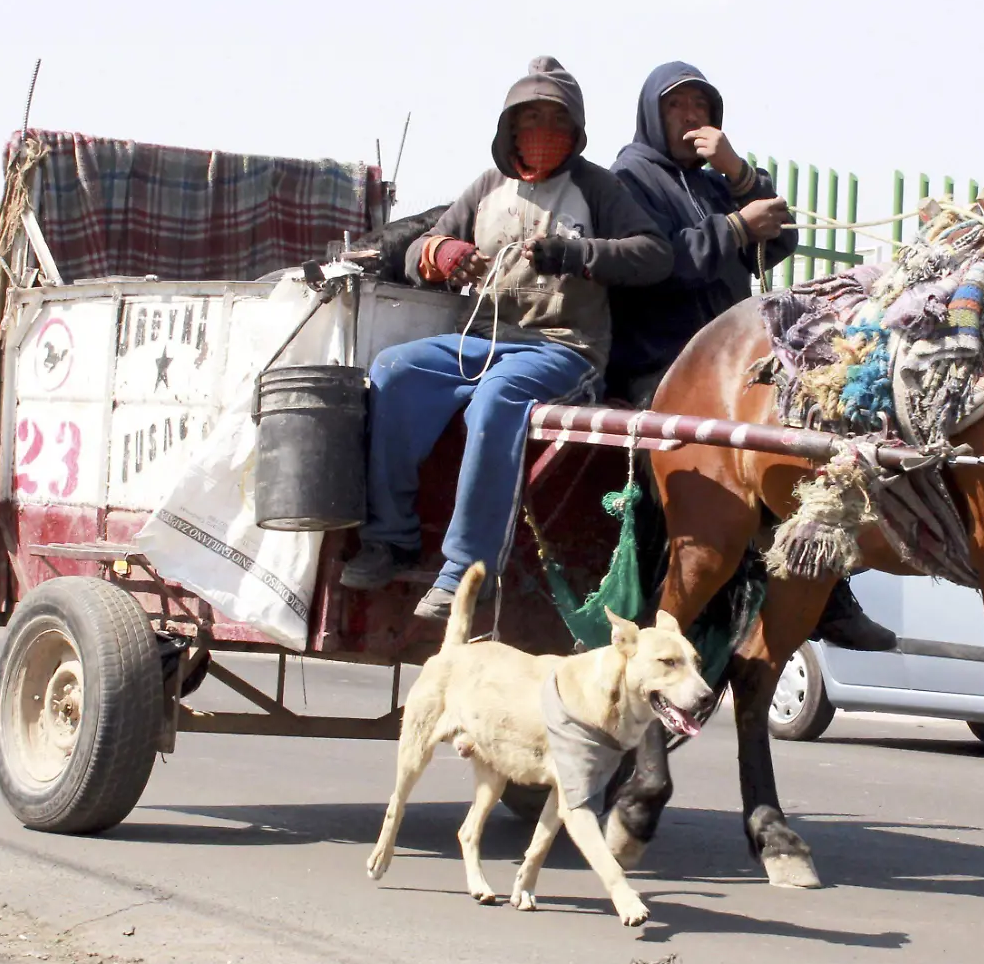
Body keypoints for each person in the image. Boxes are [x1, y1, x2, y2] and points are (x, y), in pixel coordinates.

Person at [339, 57, 673, 621]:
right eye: (529, 118)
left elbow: (655, 254)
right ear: (509, 128)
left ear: (575, 129)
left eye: (555, 120)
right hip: (483, 337)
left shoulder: (598, 187)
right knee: (395, 370)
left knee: (498, 400)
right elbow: (426, 249)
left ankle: (467, 572)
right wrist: (445, 256)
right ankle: (389, 538)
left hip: (565, 348)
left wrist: (578, 255)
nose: (541, 131)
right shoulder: (487, 187)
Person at [608, 61, 896, 653]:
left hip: (730, 362)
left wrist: (737, 173)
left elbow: (782, 237)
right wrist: (736, 228)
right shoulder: (629, 179)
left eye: (700, 107)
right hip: (658, 360)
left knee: (816, 420)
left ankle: (825, 583)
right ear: (650, 115)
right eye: (676, 108)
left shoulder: (716, 180)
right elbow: (657, 262)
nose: (691, 119)